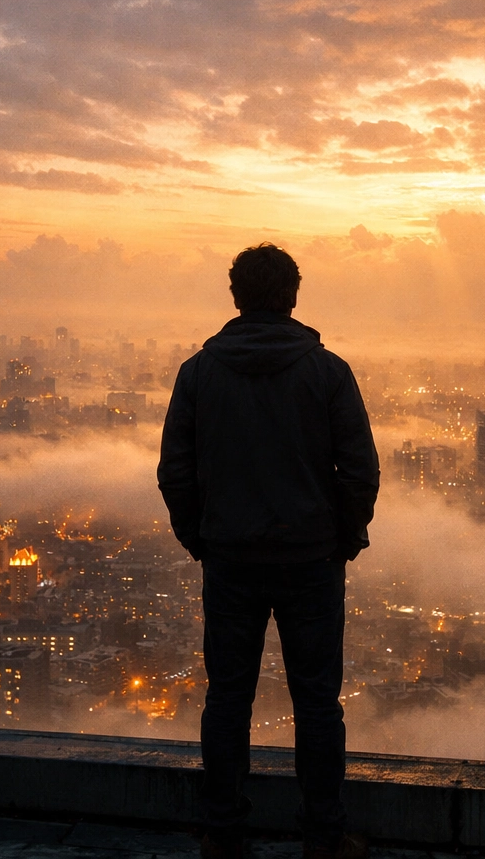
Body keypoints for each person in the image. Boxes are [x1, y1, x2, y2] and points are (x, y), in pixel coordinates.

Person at [158, 244, 380, 859]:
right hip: (311, 561)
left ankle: (223, 834)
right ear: (293, 295)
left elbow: (175, 471)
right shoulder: (328, 372)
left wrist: (200, 537)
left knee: (228, 699)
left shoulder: (198, 374)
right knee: (317, 703)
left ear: (235, 296)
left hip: (230, 559)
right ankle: (324, 837)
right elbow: (360, 470)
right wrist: (343, 538)